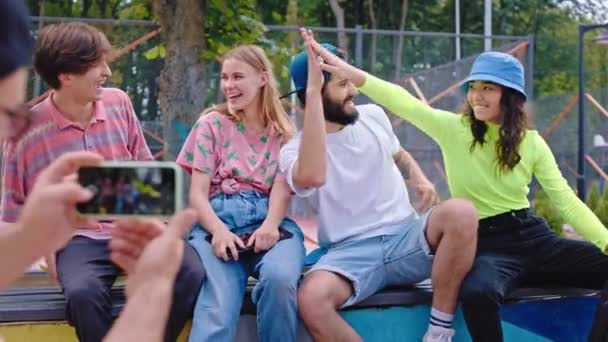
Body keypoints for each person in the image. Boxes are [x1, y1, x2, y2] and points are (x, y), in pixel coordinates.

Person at [307, 33, 608, 341]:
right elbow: (403, 101)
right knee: (478, 294)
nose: (476, 95)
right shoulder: (453, 129)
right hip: (486, 244)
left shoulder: (531, 142)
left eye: (487, 88)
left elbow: (566, 202)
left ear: (510, 95)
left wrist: (606, 241)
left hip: (532, 237)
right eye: (473, 88)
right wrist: (347, 71)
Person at [0, 22, 204, 342]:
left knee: (190, 271)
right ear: (66, 75)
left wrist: (158, 219)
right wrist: (44, 247)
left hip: (133, 223)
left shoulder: (119, 102)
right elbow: (13, 211)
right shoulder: (25, 134)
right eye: (98, 65)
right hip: (77, 240)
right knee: (82, 295)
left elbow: (144, 167)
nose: (107, 71)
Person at [281, 29, 479, 342]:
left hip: (405, 238)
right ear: (313, 94)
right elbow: (312, 176)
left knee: (462, 213)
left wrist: (417, 175)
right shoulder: (295, 150)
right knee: (311, 299)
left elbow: (397, 152)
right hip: (350, 253)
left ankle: (439, 333)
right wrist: (314, 94)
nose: (353, 91)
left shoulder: (372, 116)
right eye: (342, 84)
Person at [176, 45, 305, 342]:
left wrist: (271, 226)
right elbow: (197, 195)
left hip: (269, 222)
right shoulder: (211, 124)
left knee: (281, 280)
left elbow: (281, 191)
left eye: (237, 77)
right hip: (217, 221)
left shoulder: (283, 133)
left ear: (262, 78)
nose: (229, 86)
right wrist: (219, 232)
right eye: (224, 78)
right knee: (218, 305)